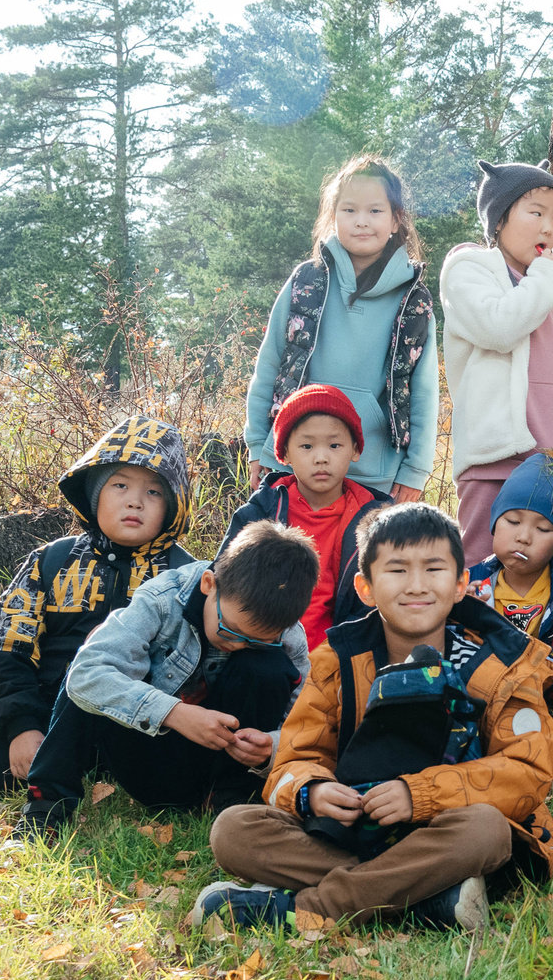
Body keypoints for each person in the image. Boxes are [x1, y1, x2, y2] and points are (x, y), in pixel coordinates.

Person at [191, 504, 553, 934]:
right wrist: (312, 791)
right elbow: (294, 757)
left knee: (485, 831)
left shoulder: (504, 663)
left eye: (433, 568)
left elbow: (528, 772)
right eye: (396, 570)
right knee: (234, 830)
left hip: (452, 833)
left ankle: (310, 909)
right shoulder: (337, 660)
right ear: (365, 588)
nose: (416, 586)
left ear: (462, 583)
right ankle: (430, 899)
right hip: (355, 829)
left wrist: (419, 794)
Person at [0, 417, 199, 802]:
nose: (135, 501)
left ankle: (107, 764)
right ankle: (56, 755)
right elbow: (6, 647)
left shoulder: (186, 576)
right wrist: (22, 727)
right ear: (94, 493)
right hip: (50, 714)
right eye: (120, 486)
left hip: (140, 721)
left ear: (173, 507)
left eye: (154, 492)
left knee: (176, 791)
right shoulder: (52, 561)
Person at [22, 520, 318, 835]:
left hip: (213, 764)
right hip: (145, 749)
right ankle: (46, 808)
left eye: (256, 641)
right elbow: (86, 675)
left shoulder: (287, 636)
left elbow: (305, 721)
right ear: (209, 584)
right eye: (231, 630)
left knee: (269, 668)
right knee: (94, 666)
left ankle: (229, 800)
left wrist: (270, 748)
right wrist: (174, 714)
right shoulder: (161, 599)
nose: (237, 644)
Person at [441, 160, 553, 561]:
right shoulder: (470, 267)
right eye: (536, 213)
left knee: (545, 580)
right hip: (496, 459)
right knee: (483, 574)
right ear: (499, 220)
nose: (549, 228)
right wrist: (548, 279)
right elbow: (499, 329)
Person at [244, 154, 438, 505]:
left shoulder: (414, 299)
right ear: (333, 217)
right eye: (349, 210)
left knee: (360, 561)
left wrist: (416, 470)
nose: (361, 222)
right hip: (292, 463)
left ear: (396, 220)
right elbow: (269, 365)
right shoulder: (307, 282)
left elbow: (423, 392)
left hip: (375, 471)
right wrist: (258, 443)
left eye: (375, 211)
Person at [220, 385, 384, 652]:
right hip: (262, 646)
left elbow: (380, 601)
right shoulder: (262, 510)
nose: (321, 458)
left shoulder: (374, 517)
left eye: (334, 445)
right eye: (307, 446)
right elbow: (223, 582)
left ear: (355, 450)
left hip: (339, 656)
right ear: (284, 454)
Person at [465, 451, 553, 640]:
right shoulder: (468, 585)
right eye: (513, 521)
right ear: (494, 524)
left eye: (542, 528)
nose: (524, 537)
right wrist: (459, 616)